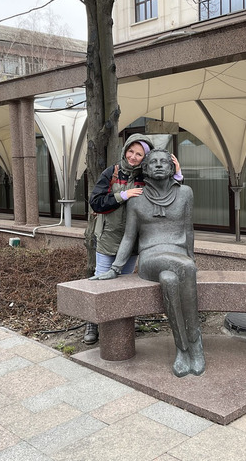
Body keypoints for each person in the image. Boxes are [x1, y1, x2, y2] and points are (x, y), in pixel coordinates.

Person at [92, 149, 203, 377]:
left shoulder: (186, 193)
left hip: (178, 256)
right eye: (153, 162)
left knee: (169, 279)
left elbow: (188, 230)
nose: (159, 165)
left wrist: (190, 257)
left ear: (172, 168)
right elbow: (129, 237)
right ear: (146, 169)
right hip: (150, 257)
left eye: (164, 162)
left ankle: (183, 349)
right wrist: (115, 268)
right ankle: (196, 343)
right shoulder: (136, 199)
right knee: (185, 268)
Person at [85, 134, 182, 345]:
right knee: (100, 279)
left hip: (133, 241)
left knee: (124, 282)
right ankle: (92, 323)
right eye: (131, 151)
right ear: (125, 150)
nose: (133, 157)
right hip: (109, 237)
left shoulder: (147, 176)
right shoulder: (112, 172)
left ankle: (121, 321)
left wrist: (177, 174)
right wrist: (123, 196)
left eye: (139, 154)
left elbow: (168, 194)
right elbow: (96, 202)